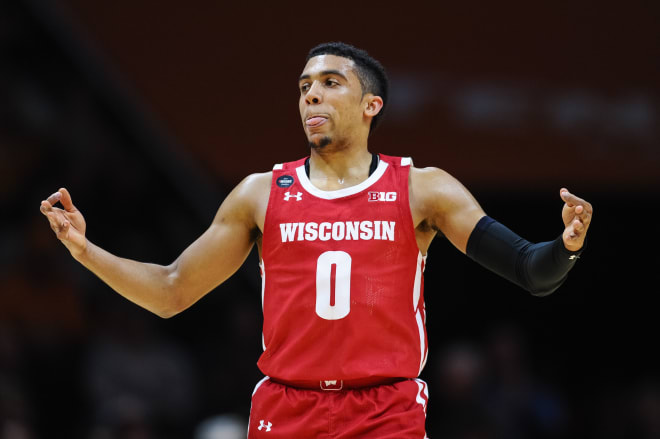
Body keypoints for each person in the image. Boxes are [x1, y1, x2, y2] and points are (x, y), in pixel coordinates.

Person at [40, 42, 592, 438]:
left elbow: (531, 271)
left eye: (330, 83)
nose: (312, 96)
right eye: (304, 87)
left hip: (385, 412)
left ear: (370, 105)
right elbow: (171, 290)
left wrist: (565, 246)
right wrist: (86, 251)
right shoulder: (259, 193)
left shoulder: (421, 189)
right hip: (288, 407)